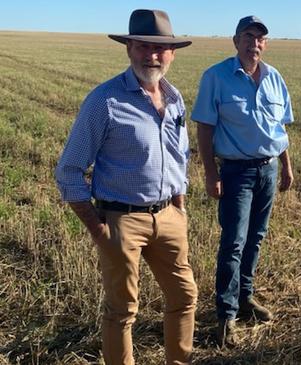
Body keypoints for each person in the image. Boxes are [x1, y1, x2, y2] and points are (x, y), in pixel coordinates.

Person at [54, 9, 197, 365]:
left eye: (160, 48)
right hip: (121, 220)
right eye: (143, 46)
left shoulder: (175, 98)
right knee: (122, 311)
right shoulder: (104, 101)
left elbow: (180, 156)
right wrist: (98, 227)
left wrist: (179, 207)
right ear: (129, 48)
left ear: (172, 53)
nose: (152, 55)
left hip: (168, 216)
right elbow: (69, 170)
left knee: (184, 297)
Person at [191, 15, 294, 348]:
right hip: (236, 172)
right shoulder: (216, 77)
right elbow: (204, 128)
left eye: (261, 38)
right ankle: (226, 315)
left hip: (268, 169)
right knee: (233, 242)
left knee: (256, 238)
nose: (255, 43)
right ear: (235, 41)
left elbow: (280, 130)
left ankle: (246, 297)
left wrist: (286, 166)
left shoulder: (275, 78)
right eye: (248, 37)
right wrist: (210, 172)